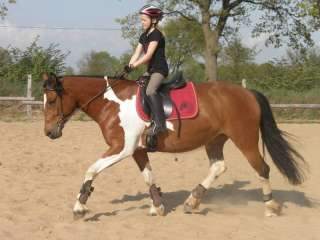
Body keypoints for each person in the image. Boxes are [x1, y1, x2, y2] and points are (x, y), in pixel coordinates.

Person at [128, 5, 169, 136]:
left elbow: (148, 56)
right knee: (138, 86)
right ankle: (146, 118)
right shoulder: (144, 35)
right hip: (150, 70)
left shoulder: (156, 34)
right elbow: (137, 52)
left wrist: (134, 66)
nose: (142, 23)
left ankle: (160, 124)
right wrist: (128, 65)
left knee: (151, 90)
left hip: (159, 70)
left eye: (144, 20)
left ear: (154, 20)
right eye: (141, 20)